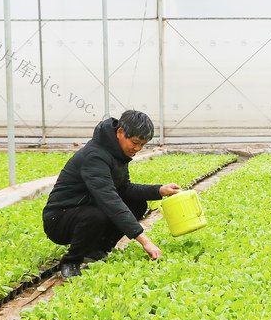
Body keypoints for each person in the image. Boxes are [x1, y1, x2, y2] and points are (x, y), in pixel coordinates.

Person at [42, 110, 181, 278]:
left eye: (142, 145)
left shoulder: (117, 153)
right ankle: (71, 261)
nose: (137, 149)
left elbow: (124, 189)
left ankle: (96, 250)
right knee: (97, 214)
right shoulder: (95, 156)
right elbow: (109, 200)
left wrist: (159, 190)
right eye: (135, 142)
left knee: (137, 204)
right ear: (120, 132)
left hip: (86, 208)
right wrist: (145, 241)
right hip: (59, 219)